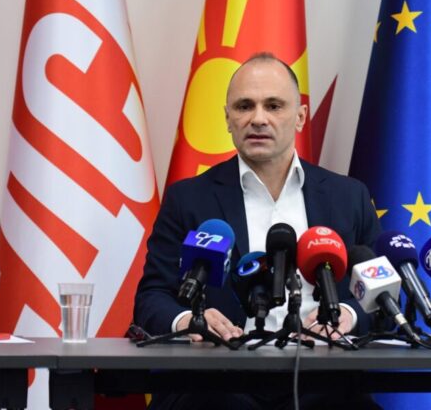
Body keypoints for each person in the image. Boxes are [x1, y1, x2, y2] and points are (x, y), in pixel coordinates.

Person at [134, 53, 382, 409]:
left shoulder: (349, 197)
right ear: (228, 119)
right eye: (244, 106)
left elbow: (384, 296)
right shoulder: (188, 199)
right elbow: (152, 298)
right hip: (218, 383)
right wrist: (189, 320)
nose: (258, 119)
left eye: (274, 106)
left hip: (324, 381)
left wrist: (350, 315)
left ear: (300, 117)